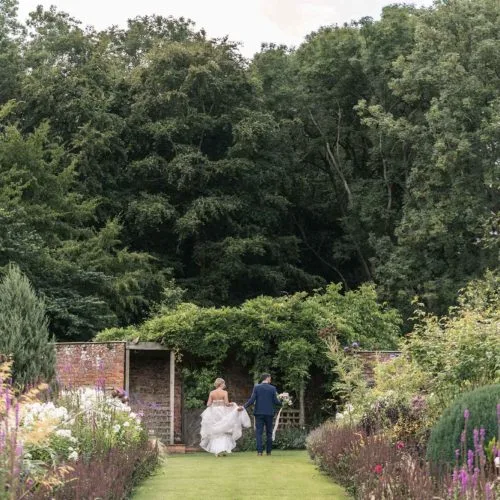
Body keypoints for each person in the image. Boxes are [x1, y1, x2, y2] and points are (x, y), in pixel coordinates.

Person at [200, 378, 251, 456]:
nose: (225, 385)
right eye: (224, 383)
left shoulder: (212, 393)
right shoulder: (224, 392)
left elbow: (208, 404)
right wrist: (233, 404)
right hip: (222, 412)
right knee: (223, 431)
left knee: (215, 432)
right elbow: (227, 404)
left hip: (214, 412)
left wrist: (215, 403)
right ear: (220, 384)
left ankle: (217, 451)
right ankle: (223, 450)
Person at [238, 373, 281, 456]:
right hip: (269, 413)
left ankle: (259, 452)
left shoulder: (257, 387)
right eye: (270, 378)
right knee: (269, 432)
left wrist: (243, 407)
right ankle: (268, 452)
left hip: (259, 413)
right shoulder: (272, 388)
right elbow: (276, 401)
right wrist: (283, 403)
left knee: (259, 433)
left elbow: (252, 399)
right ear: (267, 378)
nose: (270, 379)